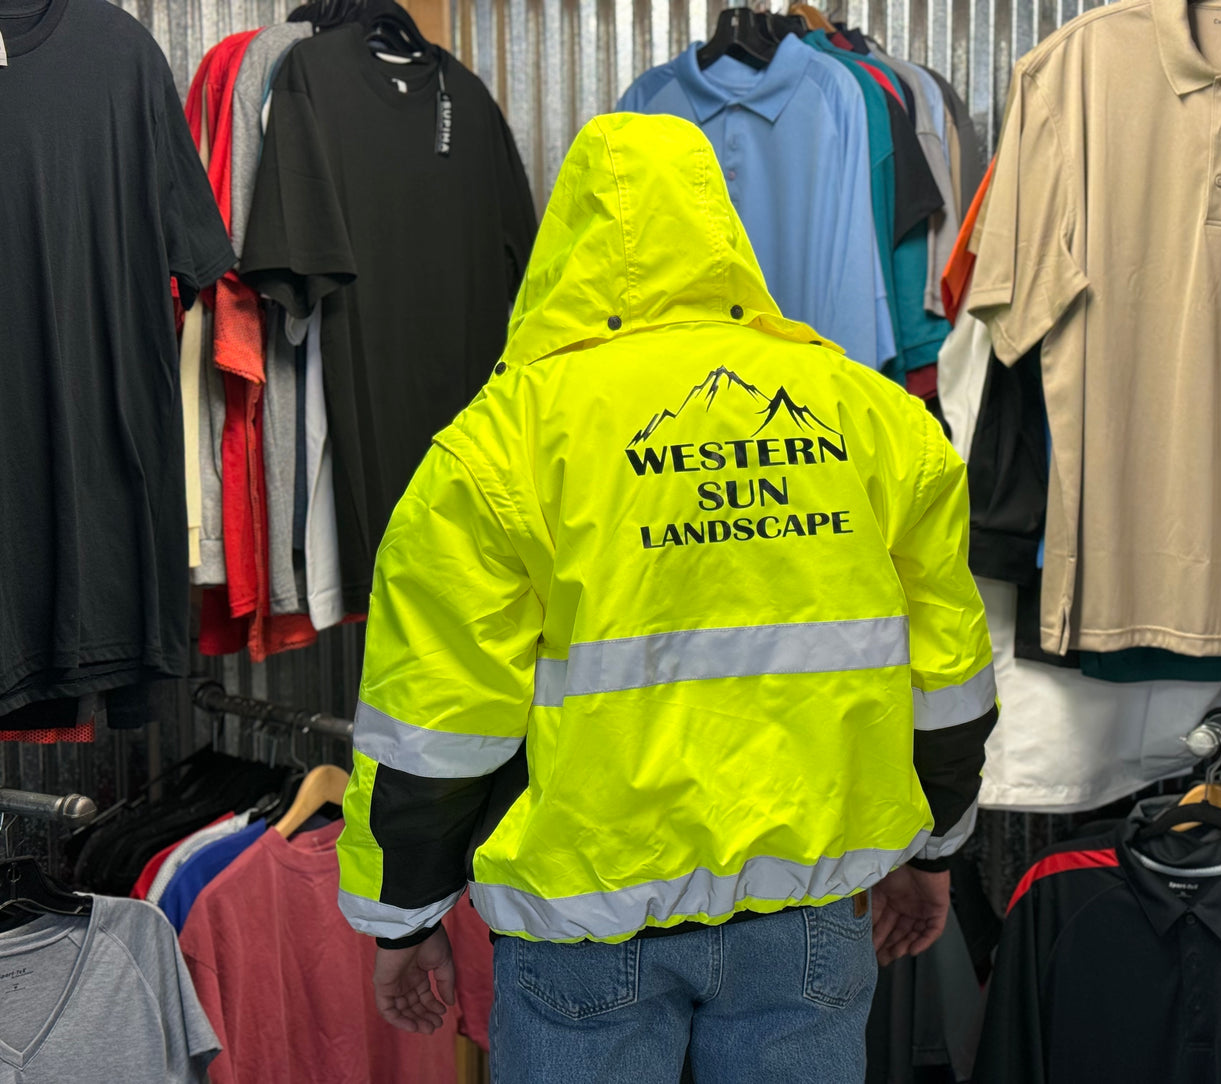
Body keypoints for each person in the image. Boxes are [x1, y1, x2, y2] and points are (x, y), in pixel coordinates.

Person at [334, 112, 998, 1083]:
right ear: (722, 230)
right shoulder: (875, 421)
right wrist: (931, 847)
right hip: (803, 917)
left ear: (567, 242)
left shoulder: (499, 446)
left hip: (581, 929)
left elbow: (436, 718)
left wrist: (405, 915)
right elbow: (945, 674)